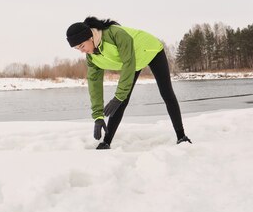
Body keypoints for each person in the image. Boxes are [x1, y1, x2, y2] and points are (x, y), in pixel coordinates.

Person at [66, 16, 191, 149]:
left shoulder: (116, 34)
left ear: (90, 37)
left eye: (82, 46)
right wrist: (98, 116)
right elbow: (94, 84)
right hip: (133, 61)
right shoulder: (92, 58)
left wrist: (118, 97)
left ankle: (181, 136)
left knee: (166, 93)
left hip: (150, 50)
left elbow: (128, 64)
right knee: (122, 100)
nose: (81, 51)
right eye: (77, 48)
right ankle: (106, 142)